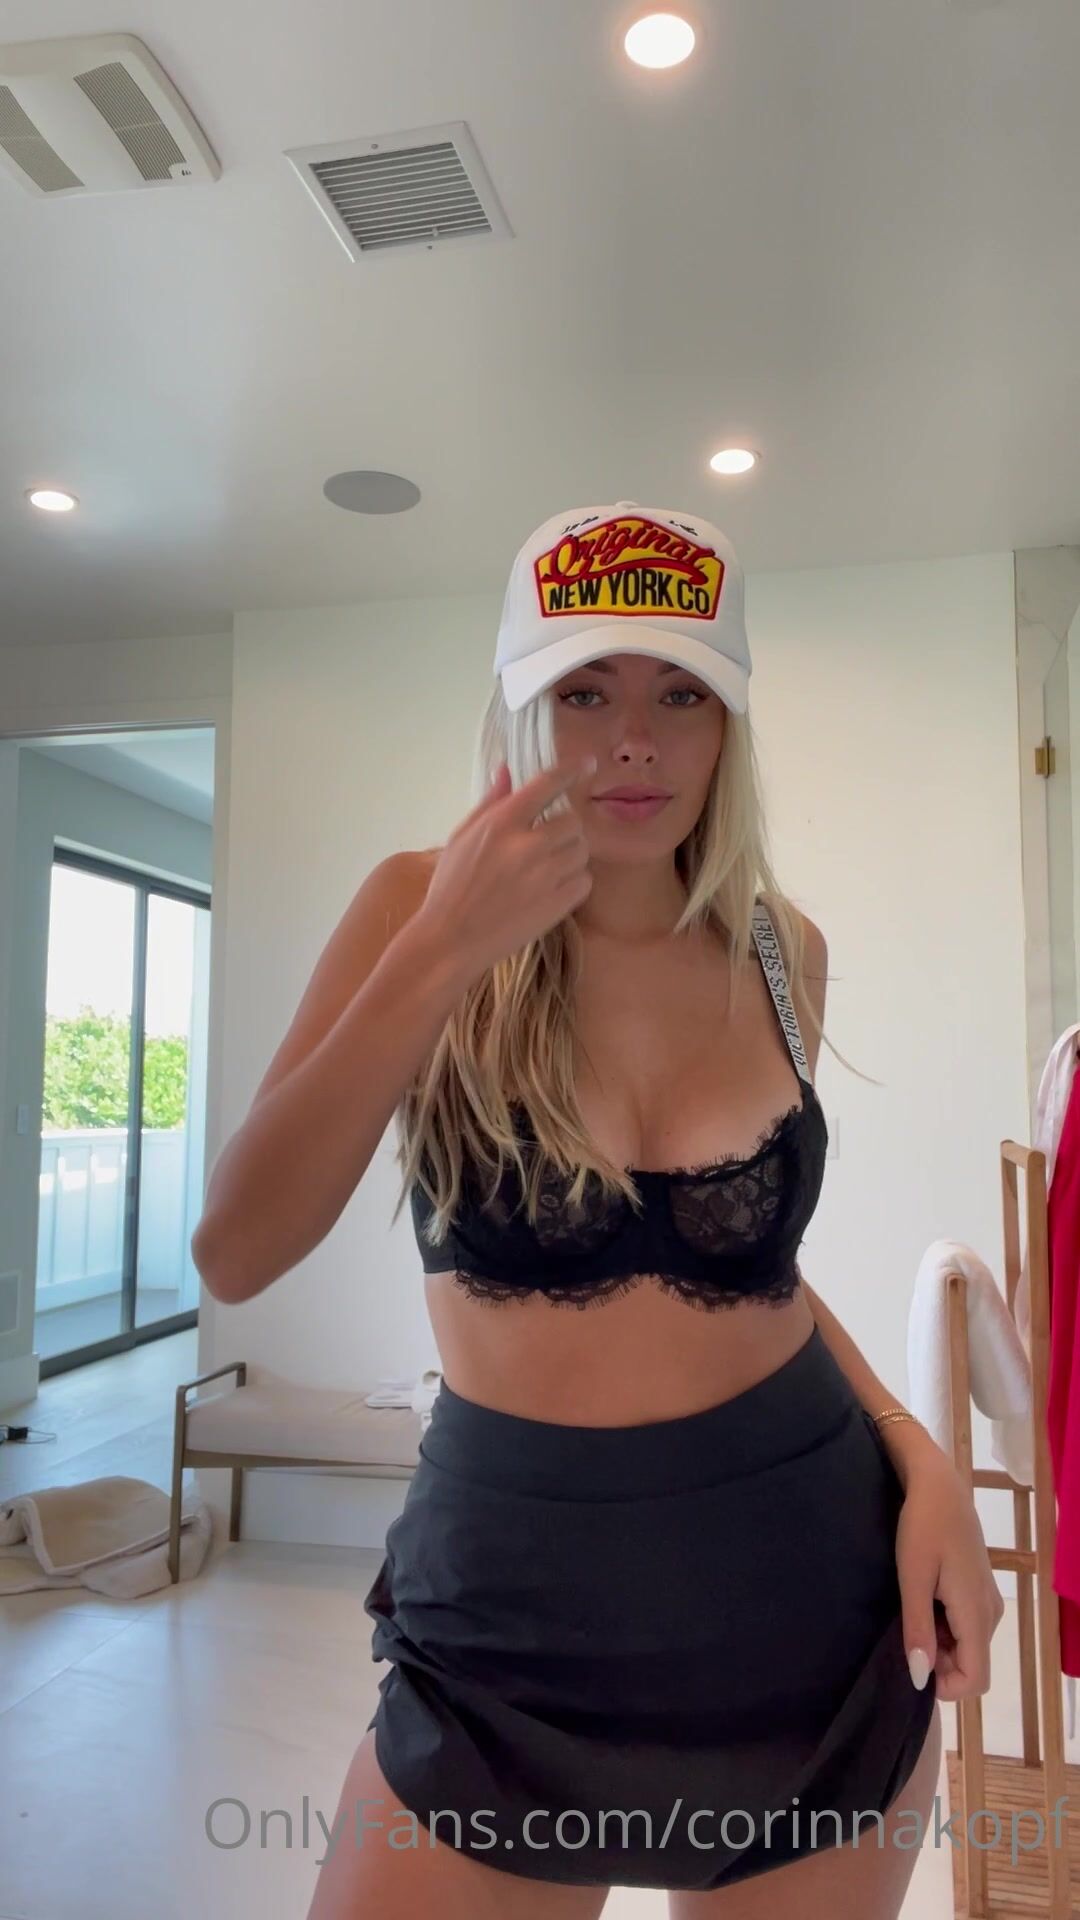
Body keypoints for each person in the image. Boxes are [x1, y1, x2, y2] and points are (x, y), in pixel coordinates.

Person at [195, 501, 1004, 1919]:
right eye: (586, 693)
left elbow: (755, 1280)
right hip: (502, 1627)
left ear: (729, 726)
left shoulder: (783, 950)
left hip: (808, 1609)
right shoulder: (411, 907)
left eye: (682, 695)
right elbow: (239, 1248)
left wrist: (918, 1452)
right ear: (520, 708)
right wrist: (445, 948)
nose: (635, 742)